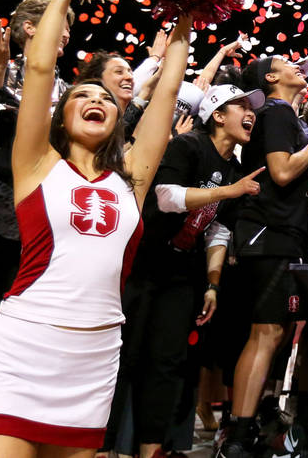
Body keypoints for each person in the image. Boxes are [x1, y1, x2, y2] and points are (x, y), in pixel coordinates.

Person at [0, 0, 191, 456]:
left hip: (93, 363)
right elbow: (42, 66)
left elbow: (167, 94)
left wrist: (188, 15)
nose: (96, 100)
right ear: (59, 116)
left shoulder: (131, 177)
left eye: (106, 98)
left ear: (116, 120)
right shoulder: (37, 164)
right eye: (82, 96)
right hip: (19, 350)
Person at [105, 84, 265, 458]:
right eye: (239, 105)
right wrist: (228, 192)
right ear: (218, 115)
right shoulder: (189, 145)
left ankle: (151, 448)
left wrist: (212, 284)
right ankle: (104, 446)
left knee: (168, 361)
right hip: (142, 262)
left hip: (183, 271)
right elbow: (166, 196)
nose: (250, 113)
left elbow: (219, 230)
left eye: (251, 107)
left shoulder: (236, 169)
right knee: (124, 357)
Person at [220, 55, 308, 458]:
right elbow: (283, 172)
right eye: (290, 64)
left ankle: (252, 423)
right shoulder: (278, 110)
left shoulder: (283, 113)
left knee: (278, 332)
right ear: (271, 78)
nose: (300, 68)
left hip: (281, 234)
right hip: (268, 232)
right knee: (265, 332)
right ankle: (236, 437)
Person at [0, 0, 74, 363]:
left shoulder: (70, 91)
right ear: (30, 28)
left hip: (38, 220)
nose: (68, 33)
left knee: (7, 322)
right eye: (62, 24)